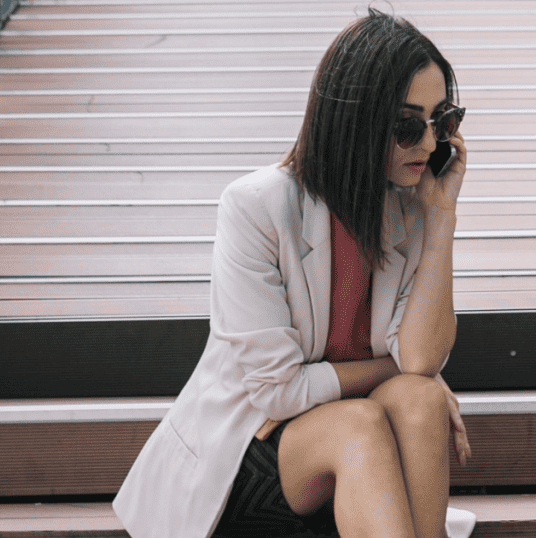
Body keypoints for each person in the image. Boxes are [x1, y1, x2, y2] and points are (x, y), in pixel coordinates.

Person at [113, 8, 473, 538]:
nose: (427, 144)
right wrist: (391, 369)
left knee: (418, 400)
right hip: (248, 455)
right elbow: (278, 393)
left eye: (442, 121)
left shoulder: (415, 208)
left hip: (358, 460)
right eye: (405, 126)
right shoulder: (255, 208)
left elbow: (418, 360)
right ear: (355, 122)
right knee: (363, 424)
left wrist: (442, 218)